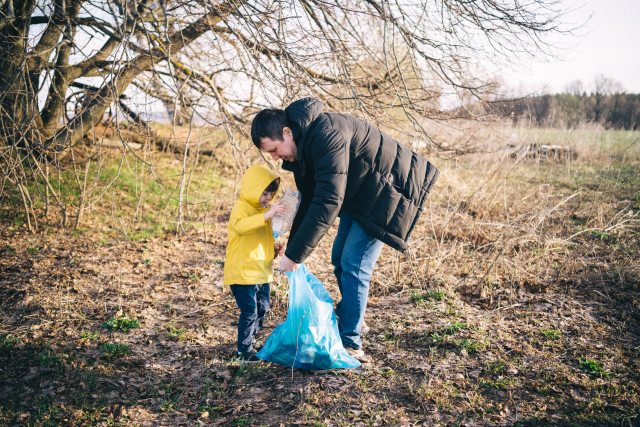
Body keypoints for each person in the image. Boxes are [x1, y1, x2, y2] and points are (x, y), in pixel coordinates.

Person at [250, 97, 439, 359]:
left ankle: (351, 341)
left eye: (273, 149)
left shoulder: (326, 134)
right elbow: (310, 199)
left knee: (354, 264)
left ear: (287, 132)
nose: (274, 157)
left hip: (386, 195)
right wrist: (292, 250)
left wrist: (295, 257)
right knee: (339, 258)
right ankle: (355, 319)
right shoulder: (302, 149)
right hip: (359, 195)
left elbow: (328, 199)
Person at [223, 164, 286, 363]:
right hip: (243, 273)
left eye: (270, 195)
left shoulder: (263, 213)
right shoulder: (242, 208)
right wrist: (266, 215)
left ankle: (250, 339)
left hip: (260, 272)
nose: (267, 199)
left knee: (263, 307)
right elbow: (241, 227)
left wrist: (274, 251)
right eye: (264, 193)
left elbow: (261, 242)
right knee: (249, 310)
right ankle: (243, 351)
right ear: (252, 188)